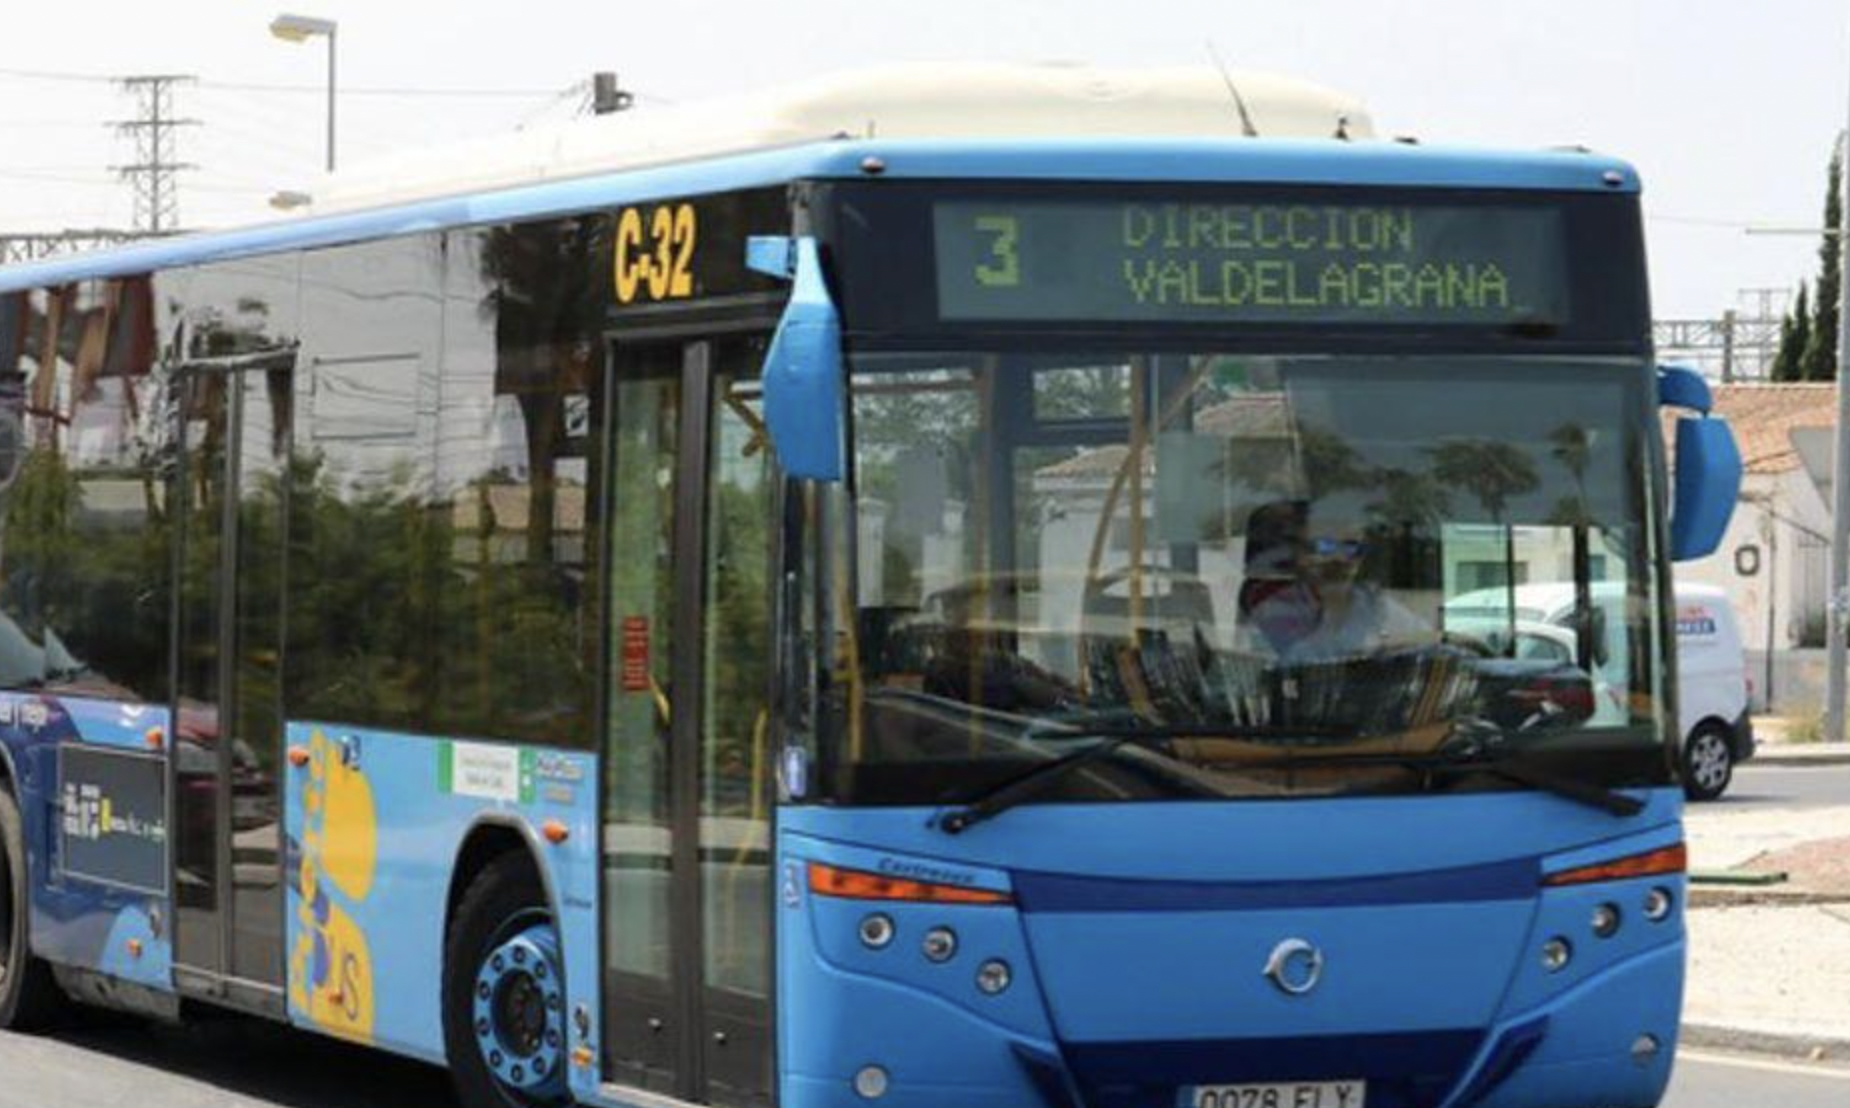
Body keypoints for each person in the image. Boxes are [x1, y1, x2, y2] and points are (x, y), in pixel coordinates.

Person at [1239, 503, 1432, 661]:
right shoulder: (1275, 608)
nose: (1340, 558)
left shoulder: (1376, 605)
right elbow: (1285, 669)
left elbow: (1427, 643)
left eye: (1351, 547)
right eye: (1326, 546)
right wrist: (1332, 607)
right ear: (1301, 553)